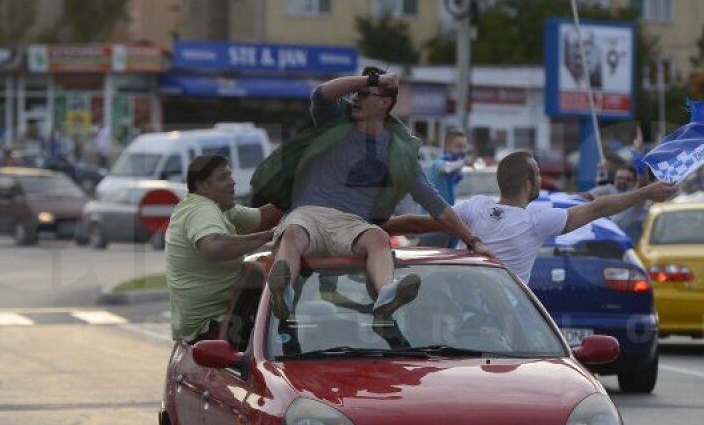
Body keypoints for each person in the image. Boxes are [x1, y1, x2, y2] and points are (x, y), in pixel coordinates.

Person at [252, 67, 489, 323]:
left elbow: (436, 205)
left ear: (385, 103)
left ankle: (387, 298)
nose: (355, 98)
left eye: (365, 94)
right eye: (355, 92)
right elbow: (321, 94)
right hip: (308, 214)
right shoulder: (334, 120)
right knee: (292, 232)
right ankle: (283, 294)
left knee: (377, 237)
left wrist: (473, 241)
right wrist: (372, 80)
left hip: (352, 224)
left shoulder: (399, 152)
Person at [387, 151, 676, 282]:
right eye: (537, 172)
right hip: (506, 316)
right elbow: (598, 208)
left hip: (461, 311)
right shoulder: (536, 220)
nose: (541, 178)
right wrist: (646, 192)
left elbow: (416, 223)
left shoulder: (473, 207)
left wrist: (371, 224)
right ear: (528, 182)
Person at [166, 154, 281, 342]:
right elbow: (212, 246)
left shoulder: (221, 209)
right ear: (201, 185)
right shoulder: (201, 209)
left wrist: (300, 197)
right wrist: (269, 235)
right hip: (210, 330)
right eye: (222, 178)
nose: (232, 182)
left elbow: (262, 217)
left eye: (230, 175)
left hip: (220, 318)